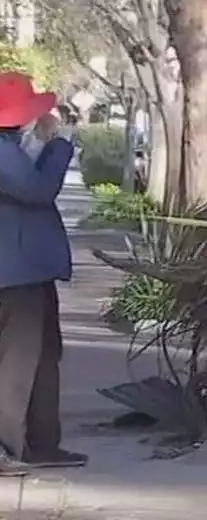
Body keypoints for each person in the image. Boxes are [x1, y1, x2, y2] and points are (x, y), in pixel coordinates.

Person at [0, 72, 85, 476]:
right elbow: (37, 190)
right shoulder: (3, 153)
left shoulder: (12, 148)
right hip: (12, 276)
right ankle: (7, 445)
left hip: (29, 271)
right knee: (15, 363)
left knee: (43, 357)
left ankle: (41, 440)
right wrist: (60, 146)